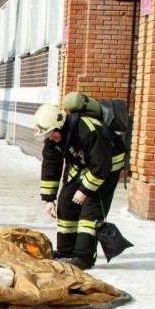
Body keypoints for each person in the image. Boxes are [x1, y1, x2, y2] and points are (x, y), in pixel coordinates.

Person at [34, 98, 124, 270]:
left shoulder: (87, 130)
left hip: (107, 166)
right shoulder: (53, 139)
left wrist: (84, 190)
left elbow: (101, 166)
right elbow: (50, 166)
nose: (50, 138)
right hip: (83, 164)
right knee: (67, 203)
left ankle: (84, 257)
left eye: (51, 133)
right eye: (46, 135)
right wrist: (49, 199)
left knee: (90, 211)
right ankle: (66, 251)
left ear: (60, 125)